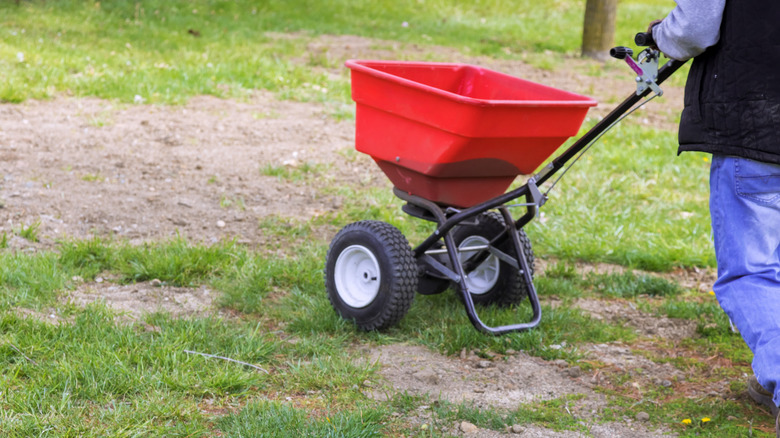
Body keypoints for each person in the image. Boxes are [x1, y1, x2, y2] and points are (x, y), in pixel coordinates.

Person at [650, 0, 780, 435]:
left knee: (752, 274)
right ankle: (769, 377)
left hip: (759, 123)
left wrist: (659, 37)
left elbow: (695, 27)